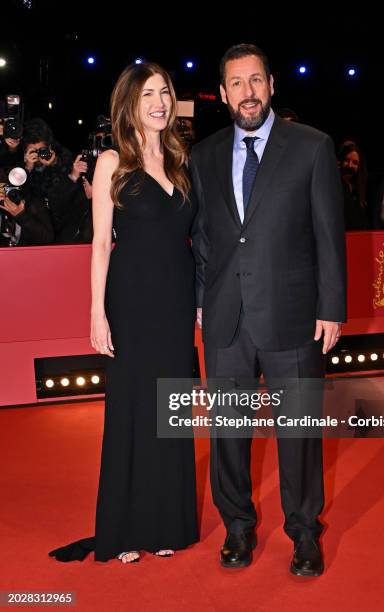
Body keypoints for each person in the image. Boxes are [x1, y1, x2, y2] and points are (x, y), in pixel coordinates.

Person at [190, 44, 346, 576]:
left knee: (299, 433)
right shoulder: (204, 154)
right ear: (224, 92)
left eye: (255, 80)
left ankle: (304, 533)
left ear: (272, 84)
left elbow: (329, 234)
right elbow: (207, 238)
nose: (247, 92)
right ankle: (237, 526)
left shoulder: (311, 146)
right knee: (227, 433)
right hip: (226, 318)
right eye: (236, 83)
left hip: (295, 315)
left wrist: (332, 306)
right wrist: (201, 304)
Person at [49, 62, 199, 563]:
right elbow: (99, 244)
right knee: (133, 410)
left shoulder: (180, 160)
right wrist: (97, 312)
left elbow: (192, 241)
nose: (158, 103)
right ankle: (126, 526)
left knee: (169, 411)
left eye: (164, 93)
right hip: (131, 302)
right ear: (129, 104)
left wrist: (198, 300)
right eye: (148, 95)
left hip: (177, 303)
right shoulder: (113, 160)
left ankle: (166, 523)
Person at [337, 141, 369, 230]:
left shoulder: (358, 188)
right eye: (347, 160)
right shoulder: (333, 184)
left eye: (355, 163)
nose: (350, 165)